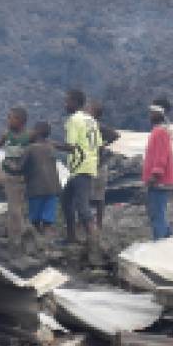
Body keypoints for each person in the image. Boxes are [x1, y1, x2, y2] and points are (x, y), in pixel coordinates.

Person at [62, 88, 103, 260]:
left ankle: (93, 239)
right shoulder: (91, 120)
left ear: (75, 103)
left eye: (67, 101)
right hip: (87, 166)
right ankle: (72, 237)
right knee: (66, 200)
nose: (65, 104)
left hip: (80, 167)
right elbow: (99, 145)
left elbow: (71, 146)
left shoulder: (74, 119)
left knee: (81, 205)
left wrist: (50, 144)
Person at [0, 107, 30, 241]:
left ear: (20, 121)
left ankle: (16, 237)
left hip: (16, 176)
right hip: (2, 168)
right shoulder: (7, 134)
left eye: (10, 118)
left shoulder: (28, 137)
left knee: (15, 209)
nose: (7, 120)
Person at [142, 102, 173, 240]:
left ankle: (161, 244)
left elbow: (161, 156)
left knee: (157, 214)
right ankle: (169, 239)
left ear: (159, 114)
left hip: (159, 181)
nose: (150, 115)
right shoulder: (159, 131)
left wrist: (155, 174)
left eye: (152, 112)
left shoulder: (160, 132)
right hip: (158, 181)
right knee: (158, 212)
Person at [21, 121, 62, 238]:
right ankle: (47, 238)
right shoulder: (51, 146)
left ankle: (37, 239)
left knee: (35, 219)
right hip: (53, 188)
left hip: (36, 189)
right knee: (48, 220)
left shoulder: (30, 149)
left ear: (36, 132)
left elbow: (21, 166)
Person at [87, 100, 121, 228]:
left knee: (91, 196)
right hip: (100, 165)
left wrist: (102, 145)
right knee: (99, 197)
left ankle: (90, 224)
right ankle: (98, 224)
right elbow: (115, 135)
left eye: (88, 109)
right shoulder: (96, 127)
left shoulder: (95, 126)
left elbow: (115, 135)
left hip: (95, 166)